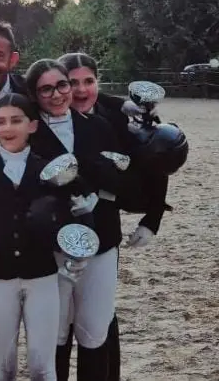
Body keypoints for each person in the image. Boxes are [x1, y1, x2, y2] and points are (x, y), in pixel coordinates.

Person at [0, 94, 93, 381]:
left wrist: (80, 243)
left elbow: (75, 214)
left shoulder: (48, 169)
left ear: (33, 126)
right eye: (1, 122)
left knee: (43, 367)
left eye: (16, 120)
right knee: (2, 367)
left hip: (42, 277)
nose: (7, 128)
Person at [57, 52, 171, 381]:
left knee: (100, 318)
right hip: (54, 233)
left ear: (98, 81)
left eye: (88, 82)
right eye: (72, 82)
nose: (80, 90)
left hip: (104, 227)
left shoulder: (118, 114)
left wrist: (152, 219)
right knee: (58, 325)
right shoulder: (46, 111)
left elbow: (155, 161)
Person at [25, 59, 137, 380]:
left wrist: (93, 180)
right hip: (51, 249)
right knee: (55, 336)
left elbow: (121, 182)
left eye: (63, 85)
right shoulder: (30, 132)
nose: (58, 94)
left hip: (100, 242)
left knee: (94, 332)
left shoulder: (98, 126)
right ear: (35, 95)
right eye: (46, 89)